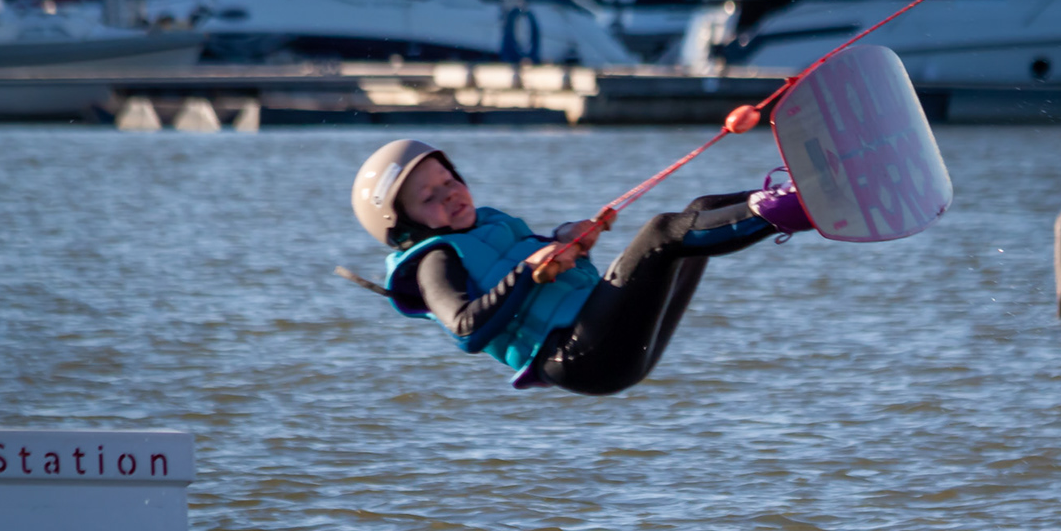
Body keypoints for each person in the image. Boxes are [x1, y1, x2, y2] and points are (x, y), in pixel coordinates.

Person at [348, 140, 813, 395]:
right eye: (429, 197)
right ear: (407, 226)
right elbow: (467, 331)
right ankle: (797, 206)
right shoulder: (434, 261)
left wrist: (568, 239)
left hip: (610, 336)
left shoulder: (488, 225)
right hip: (580, 356)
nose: (449, 193)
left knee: (701, 210)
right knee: (661, 234)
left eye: (448, 179)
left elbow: (547, 276)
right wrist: (529, 270)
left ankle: (802, 196)